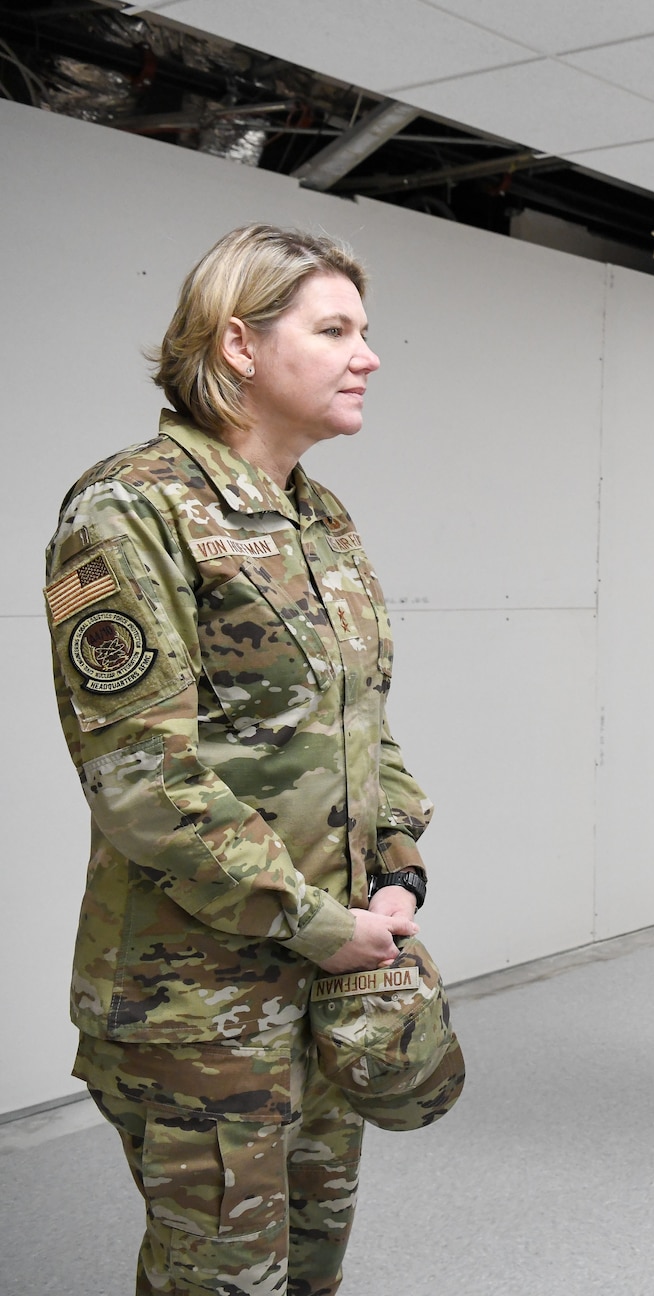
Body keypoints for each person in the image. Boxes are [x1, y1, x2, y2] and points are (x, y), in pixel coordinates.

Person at [44, 225, 434, 1296]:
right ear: (240, 345)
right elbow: (139, 777)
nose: (370, 354)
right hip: (198, 1006)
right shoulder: (129, 508)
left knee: (311, 1266)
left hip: (333, 982)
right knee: (221, 1283)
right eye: (335, 328)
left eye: (365, 329)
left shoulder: (323, 519)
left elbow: (368, 727)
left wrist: (397, 868)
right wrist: (322, 925)